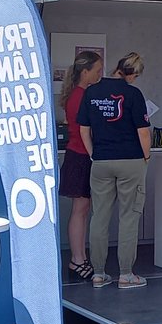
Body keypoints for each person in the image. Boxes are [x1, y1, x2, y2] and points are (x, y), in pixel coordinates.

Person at [78, 53, 151, 289]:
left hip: (101, 161)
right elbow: (143, 132)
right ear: (132, 74)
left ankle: (98, 274)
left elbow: (83, 129)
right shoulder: (133, 94)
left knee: (99, 217)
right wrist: (146, 157)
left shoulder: (92, 92)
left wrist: (93, 153)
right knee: (129, 217)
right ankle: (126, 275)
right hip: (130, 160)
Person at [58, 50, 103, 281]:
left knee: (82, 210)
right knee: (80, 210)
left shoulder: (79, 94)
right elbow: (85, 129)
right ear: (85, 72)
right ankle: (77, 259)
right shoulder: (79, 96)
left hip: (80, 155)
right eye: (97, 70)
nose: (99, 74)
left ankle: (80, 258)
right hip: (81, 156)